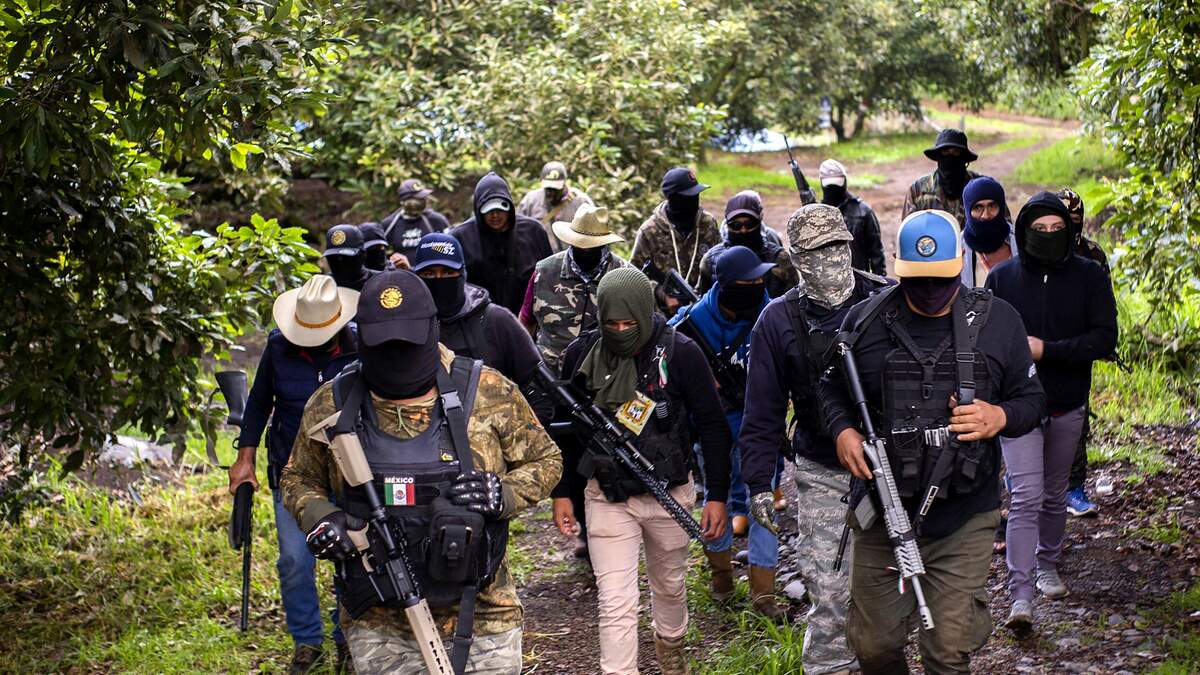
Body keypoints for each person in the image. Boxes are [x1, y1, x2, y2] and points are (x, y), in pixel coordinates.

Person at [281, 270, 562, 674]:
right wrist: (321, 517)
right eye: (385, 343)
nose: (397, 352)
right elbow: (297, 477)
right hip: (379, 624)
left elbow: (547, 459)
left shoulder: (487, 391)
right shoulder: (333, 403)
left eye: (407, 341)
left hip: (483, 617)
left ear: (431, 329)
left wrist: (503, 492)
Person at [819, 209, 1045, 673]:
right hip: (883, 513)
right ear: (898, 267)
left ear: (960, 263)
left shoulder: (998, 322)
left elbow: (1033, 400)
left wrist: (998, 415)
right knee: (874, 645)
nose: (928, 289)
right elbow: (830, 389)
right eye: (916, 279)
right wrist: (843, 430)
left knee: (947, 648)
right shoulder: (864, 323)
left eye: (939, 279)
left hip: (964, 515)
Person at [552, 267, 731, 675]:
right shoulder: (582, 355)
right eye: (611, 324)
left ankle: (672, 652)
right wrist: (562, 492)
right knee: (615, 601)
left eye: (629, 324)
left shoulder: (681, 353)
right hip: (607, 495)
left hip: (670, 492)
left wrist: (718, 496)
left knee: (669, 586)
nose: (620, 332)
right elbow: (566, 432)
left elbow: (713, 426)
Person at [741, 203, 891, 674]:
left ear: (849, 245)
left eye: (836, 247)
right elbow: (762, 411)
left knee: (895, 592)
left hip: (897, 466)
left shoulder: (887, 300)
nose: (828, 259)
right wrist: (759, 484)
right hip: (824, 471)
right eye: (815, 252)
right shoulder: (777, 321)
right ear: (796, 259)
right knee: (829, 590)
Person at [986, 192, 1118, 633]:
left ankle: (1047, 564)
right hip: (1017, 407)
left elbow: (1104, 338)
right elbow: (983, 341)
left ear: (1069, 230)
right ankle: (1020, 594)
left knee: (1054, 491)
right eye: (1039, 229)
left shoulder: (1089, 276)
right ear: (1024, 231)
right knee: (1025, 495)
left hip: (1066, 403)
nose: (1047, 235)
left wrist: (1048, 350)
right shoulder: (1002, 279)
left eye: (1056, 229)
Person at [228, 275, 360, 674]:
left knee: (351, 557)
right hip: (292, 470)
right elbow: (258, 404)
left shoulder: (360, 345)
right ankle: (307, 643)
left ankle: (347, 638)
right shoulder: (278, 347)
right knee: (294, 560)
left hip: (349, 470)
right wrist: (245, 459)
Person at [670, 245, 786, 620]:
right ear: (725, 286)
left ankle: (764, 594)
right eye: (747, 283)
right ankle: (721, 580)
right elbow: (665, 355)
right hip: (713, 427)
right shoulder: (694, 322)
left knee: (761, 501)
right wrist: (698, 379)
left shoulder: (770, 312)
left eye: (759, 281)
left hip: (760, 424)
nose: (756, 287)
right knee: (716, 498)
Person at [521, 203, 630, 560]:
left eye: (592, 246)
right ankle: (580, 523)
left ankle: (607, 533)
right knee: (563, 455)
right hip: (552, 381)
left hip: (604, 383)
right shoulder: (545, 271)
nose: (586, 252)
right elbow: (526, 323)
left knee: (601, 456)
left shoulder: (622, 275)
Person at [411, 232, 553, 425]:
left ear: (462, 273)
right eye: (428, 274)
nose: (439, 280)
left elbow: (539, 391)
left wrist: (518, 435)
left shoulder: (496, 321)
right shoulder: (404, 326)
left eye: (448, 272)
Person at [1057, 187, 1109, 518]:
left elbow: (1106, 304)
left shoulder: (1092, 254)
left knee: (1076, 417)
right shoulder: (1033, 249)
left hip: (1078, 349)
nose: (1068, 225)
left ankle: (1074, 486)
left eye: (1074, 219)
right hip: (1039, 347)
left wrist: (1102, 342)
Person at [449, 172, 553, 315]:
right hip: (478, 319)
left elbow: (549, 277)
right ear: (478, 209)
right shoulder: (461, 237)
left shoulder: (533, 231)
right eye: (489, 210)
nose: (495, 215)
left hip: (527, 319)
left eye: (501, 208)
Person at [630, 166, 722, 314]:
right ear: (672, 199)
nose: (694, 201)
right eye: (688, 197)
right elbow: (633, 275)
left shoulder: (708, 224)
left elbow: (720, 264)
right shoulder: (649, 231)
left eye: (696, 195)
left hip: (704, 310)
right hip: (663, 315)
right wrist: (662, 293)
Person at [697, 191, 798, 298]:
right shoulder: (710, 260)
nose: (743, 230)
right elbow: (702, 299)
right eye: (736, 225)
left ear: (760, 221)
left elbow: (796, 301)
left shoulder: (780, 259)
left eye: (750, 224)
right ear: (727, 224)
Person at [818, 159, 887, 276]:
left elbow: (876, 253)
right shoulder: (816, 215)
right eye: (829, 186)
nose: (833, 189)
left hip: (858, 280)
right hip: (826, 281)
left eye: (836, 185)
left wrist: (880, 281)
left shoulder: (863, 212)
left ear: (844, 182)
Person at [902, 129, 982, 226]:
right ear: (937, 157)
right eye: (945, 152)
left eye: (956, 152)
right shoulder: (917, 191)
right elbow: (908, 230)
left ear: (964, 158)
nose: (950, 158)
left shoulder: (981, 188)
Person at [517, 160, 595, 253]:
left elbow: (596, 232)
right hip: (541, 257)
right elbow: (519, 231)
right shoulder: (530, 201)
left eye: (555, 189)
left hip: (574, 257)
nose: (551, 193)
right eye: (548, 188)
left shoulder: (581, 201)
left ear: (564, 184)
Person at [960, 176, 1017, 287]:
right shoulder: (957, 250)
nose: (986, 215)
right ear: (967, 211)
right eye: (978, 208)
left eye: (992, 206)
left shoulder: (1021, 241)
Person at [381, 178, 451, 267]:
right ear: (405, 201)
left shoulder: (436, 220)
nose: (424, 200)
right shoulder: (389, 224)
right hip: (401, 274)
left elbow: (450, 248)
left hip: (431, 272)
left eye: (423, 197)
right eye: (419, 198)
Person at [323, 224, 377, 292]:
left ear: (362, 255)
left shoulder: (379, 282)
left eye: (346, 258)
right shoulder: (323, 285)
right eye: (333, 258)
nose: (340, 263)